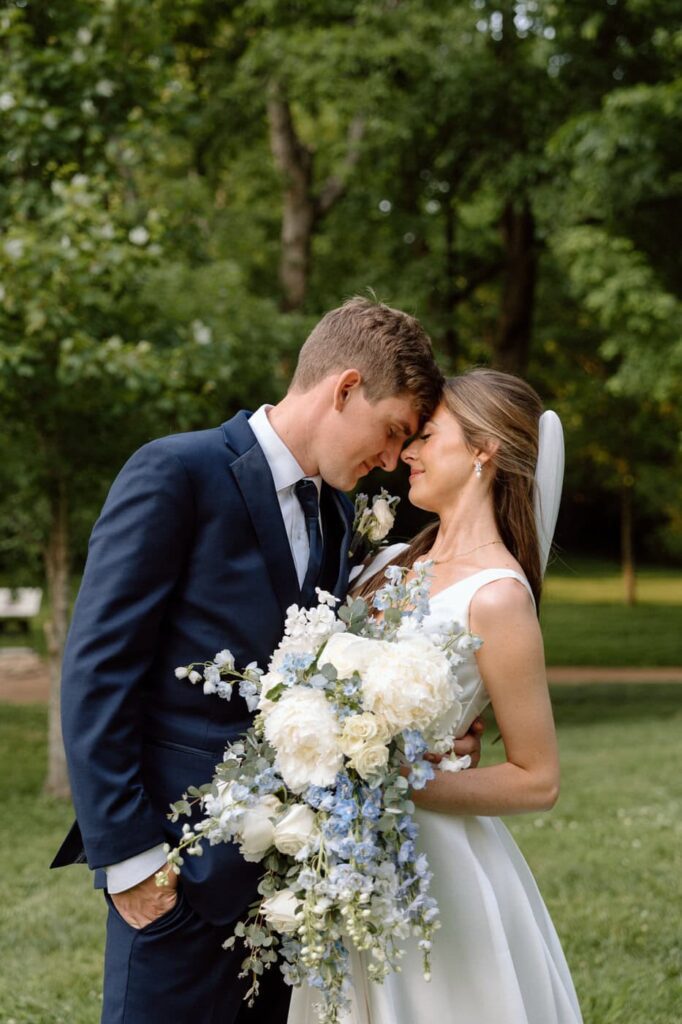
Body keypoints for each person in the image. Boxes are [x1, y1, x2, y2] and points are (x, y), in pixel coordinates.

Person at [50, 297, 482, 1024]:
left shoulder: (338, 515)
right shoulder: (177, 472)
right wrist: (130, 863)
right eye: (391, 432)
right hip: (174, 876)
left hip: (288, 886)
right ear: (344, 388)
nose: (388, 460)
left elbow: (338, 670)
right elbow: (97, 669)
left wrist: (431, 732)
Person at [288, 368, 582, 1024]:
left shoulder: (498, 598)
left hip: (435, 870)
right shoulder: (385, 560)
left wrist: (394, 785)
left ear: (483, 451)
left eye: (425, 436)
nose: (407, 453)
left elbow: (538, 780)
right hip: (343, 854)